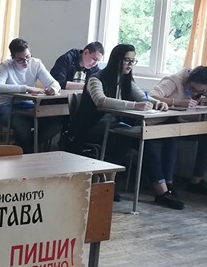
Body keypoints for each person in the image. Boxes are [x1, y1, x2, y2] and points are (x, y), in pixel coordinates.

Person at [66, 44, 182, 209]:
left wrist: (157, 103)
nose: (130, 64)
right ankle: (109, 184)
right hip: (89, 127)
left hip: (113, 127)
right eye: (127, 60)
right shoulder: (96, 79)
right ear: (117, 60)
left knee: (144, 138)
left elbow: (142, 97)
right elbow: (101, 101)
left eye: (133, 61)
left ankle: (162, 191)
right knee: (122, 135)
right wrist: (134, 105)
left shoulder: (126, 80)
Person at [149, 66, 207, 197]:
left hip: (180, 123)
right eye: (192, 89)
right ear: (187, 81)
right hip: (159, 124)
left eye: (201, 91)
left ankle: (196, 181)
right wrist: (177, 102)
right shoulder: (174, 81)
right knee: (173, 134)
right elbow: (151, 96)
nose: (195, 93)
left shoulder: (203, 86)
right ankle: (168, 183)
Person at [0, 38, 61, 153]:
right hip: (3, 106)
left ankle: (21, 147)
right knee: (22, 124)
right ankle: (24, 151)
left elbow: (54, 83)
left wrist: (53, 89)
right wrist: (26, 88)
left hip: (26, 105)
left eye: (28, 57)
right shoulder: (6, 66)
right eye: (20, 60)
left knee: (55, 123)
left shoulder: (36, 64)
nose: (26, 62)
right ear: (13, 57)